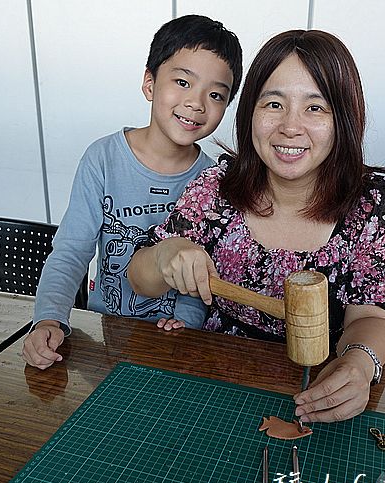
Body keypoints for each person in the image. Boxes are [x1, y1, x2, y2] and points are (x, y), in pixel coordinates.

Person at [127, 30, 385, 423]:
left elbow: (373, 316)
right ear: (250, 113)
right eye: (274, 104)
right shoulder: (216, 188)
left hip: (320, 386)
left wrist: (359, 365)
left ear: (344, 118)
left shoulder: (371, 202)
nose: (290, 127)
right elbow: (140, 278)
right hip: (214, 383)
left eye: (316, 108)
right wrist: (164, 256)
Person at [22, 15, 243, 370]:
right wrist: (49, 319)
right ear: (149, 83)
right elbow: (70, 252)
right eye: (183, 81)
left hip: (173, 346)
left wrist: (187, 322)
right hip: (106, 338)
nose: (197, 103)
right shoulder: (103, 158)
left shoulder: (214, 181)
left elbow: (203, 273)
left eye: (216, 94)